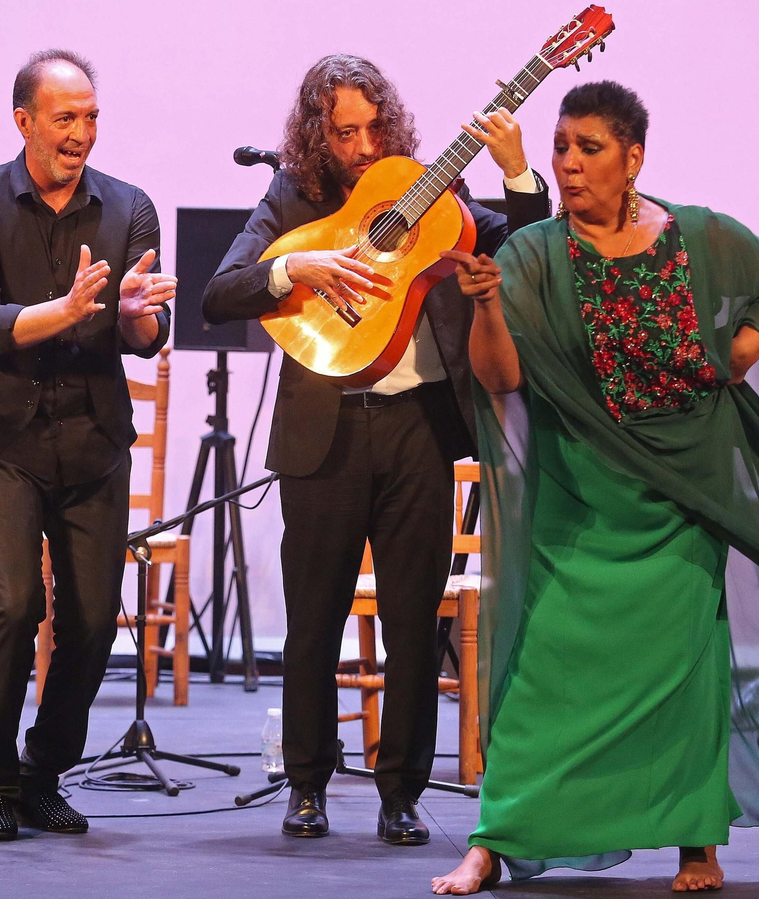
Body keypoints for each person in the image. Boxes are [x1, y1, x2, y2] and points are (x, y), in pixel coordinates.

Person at [431, 81, 759, 893]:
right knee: (543, 665)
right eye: (561, 148)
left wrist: (737, 357)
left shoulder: (694, 235)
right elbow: (501, 377)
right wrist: (483, 308)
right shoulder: (534, 250)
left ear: (633, 158)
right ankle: (494, 835)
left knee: (689, 667)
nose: (570, 164)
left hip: (682, 490)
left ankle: (698, 841)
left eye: (589, 148)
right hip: (578, 495)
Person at [202, 54, 549, 845]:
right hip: (323, 427)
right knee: (313, 621)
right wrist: (296, 264)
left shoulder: (434, 193)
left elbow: (530, 253)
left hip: (418, 427)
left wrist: (520, 170)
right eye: (344, 132)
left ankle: (401, 792)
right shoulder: (292, 196)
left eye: (373, 128)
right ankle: (307, 786)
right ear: (317, 136)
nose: (362, 147)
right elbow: (222, 291)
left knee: (410, 622)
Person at [0, 48, 175, 841]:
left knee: (89, 622)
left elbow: (145, 334)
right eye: (65, 118)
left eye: (91, 117)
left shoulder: (130, 205)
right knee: (11, 610)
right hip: (5, 434)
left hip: (94, 438)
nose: (82, 132)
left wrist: (136, 313)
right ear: (25, 122)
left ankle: (44, 772)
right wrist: (73, 308)